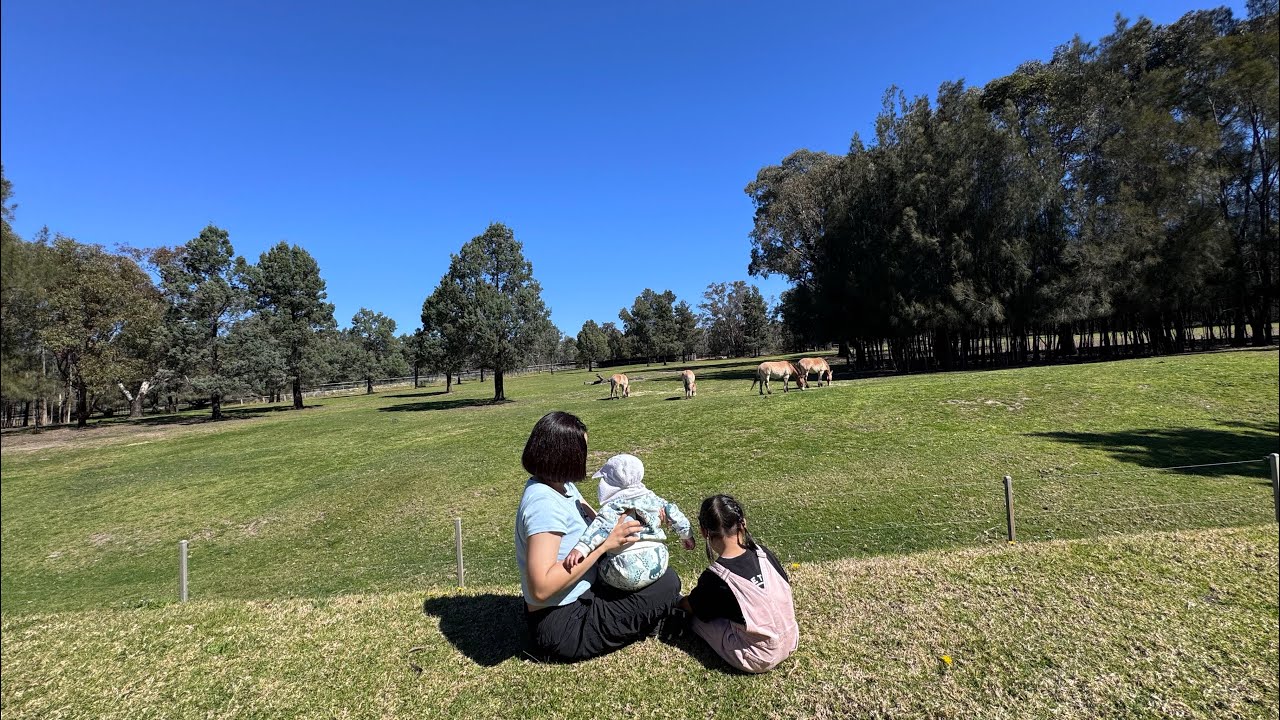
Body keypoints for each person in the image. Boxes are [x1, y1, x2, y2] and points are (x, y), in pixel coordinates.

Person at [514, 411, 682, 662]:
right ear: (563, 454)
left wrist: (643, 514)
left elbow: (598, 521)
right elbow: (541, 589)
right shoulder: (543, 504)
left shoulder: (562, 486)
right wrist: (604, 545)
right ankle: (655, 622)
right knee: (668, 585)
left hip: (583, 594)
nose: (585, 456)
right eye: (582, 449)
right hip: (562, 626)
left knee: (660, 578)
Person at [677, 494, 799, 673]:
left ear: (704, 532)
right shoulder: (763, 553)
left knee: (694, 618)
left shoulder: (717, 577)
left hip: (758, 657)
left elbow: (693, 607)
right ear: (743, 523)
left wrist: (677, 600)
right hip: (791, 638)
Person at [562, 453, 696, 590]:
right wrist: (686, 535)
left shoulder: (613, 507)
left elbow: (599, 527)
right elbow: (674, 512)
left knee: (599, 568)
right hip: (659, 560)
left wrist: (581, 548)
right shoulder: (652, 499)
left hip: (624, 569)